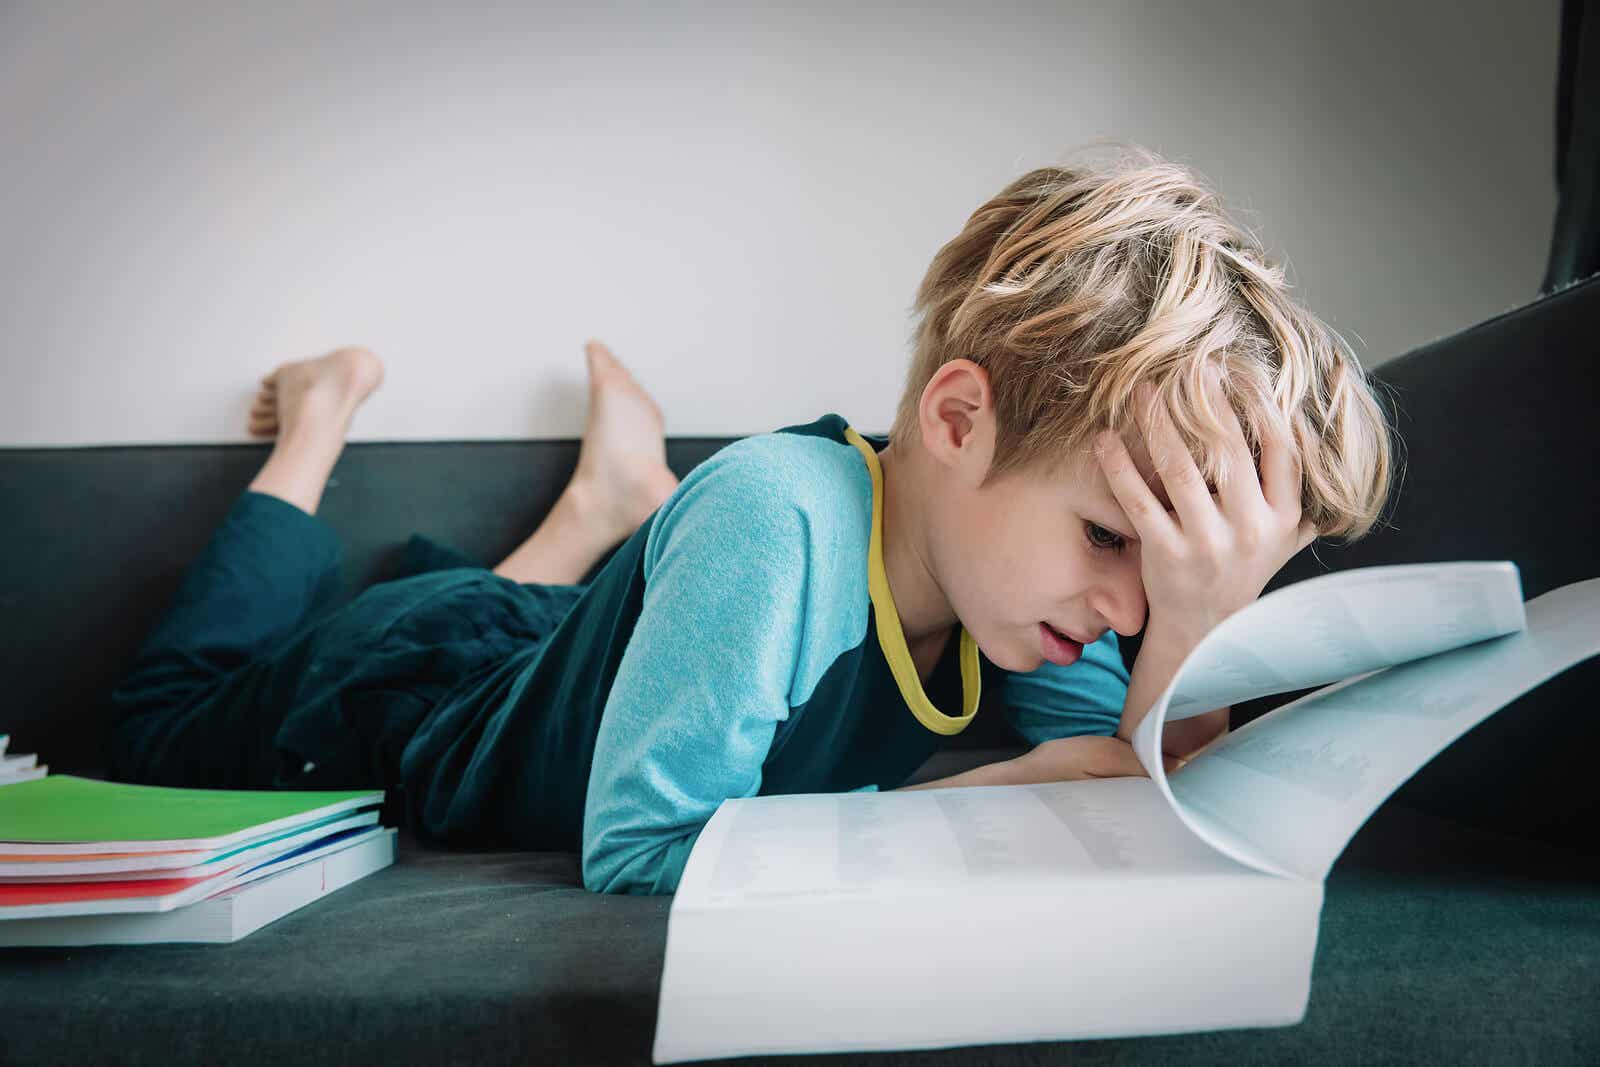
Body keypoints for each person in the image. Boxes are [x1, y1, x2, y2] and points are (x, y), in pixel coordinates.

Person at [106, 146, 1394, 895]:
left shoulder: (1043, 603)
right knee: (152, 722)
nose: (1126, 608)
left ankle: (606, 516)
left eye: (1160, 583)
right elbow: (637, 847)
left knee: (550, 645)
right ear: (957, 421)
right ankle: (321, 427)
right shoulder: (778, 519)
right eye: (1118, 542)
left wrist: (1196, 633)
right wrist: (995, 794)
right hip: (397, 692)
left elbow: (1142, 796)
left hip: (569, 655)